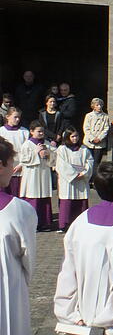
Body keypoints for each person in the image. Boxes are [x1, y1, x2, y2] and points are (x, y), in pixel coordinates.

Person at [54, 161, 113, 335]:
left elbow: (67, 272)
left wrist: (68, 313)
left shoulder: (80, 223)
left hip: (82, 315)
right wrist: (107, 322)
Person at [0, 136, 37, 335]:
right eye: (12, 163)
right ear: (1, 166)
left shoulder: (21, 209)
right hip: (8, 285)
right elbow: (29, 258)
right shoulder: (20, 210)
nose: (13, 169)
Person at [19, 121, 56, 231]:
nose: (41, 134)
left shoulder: (46, 143)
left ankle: (44, 223)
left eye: (42, 131)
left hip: (44, 173)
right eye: (38, 131)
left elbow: (54, 159)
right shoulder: (27, 144)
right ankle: (31, 225)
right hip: (32, 175)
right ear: (31, 131)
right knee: (33, 196)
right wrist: (35, 152)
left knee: (44, 197)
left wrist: (48, 153)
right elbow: (23, 160)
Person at [55, 127, 93, 233]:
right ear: (67, 137)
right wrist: (73, 174)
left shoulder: (84, 149)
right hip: (68, 181)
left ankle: (81, 223)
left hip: (81, 179)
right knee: (67, 200)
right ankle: (64, 224)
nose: (75, 139)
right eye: (72, 136)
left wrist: (84, 173)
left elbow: (89, 161)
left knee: (81, 201)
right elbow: (61, 164)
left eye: (76, 136)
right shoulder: (62, 149)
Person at [0, 107, 29, 196]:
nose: (17, 119)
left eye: (19, 117)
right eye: (15, 117)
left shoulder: (24, 131)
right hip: (4, 167)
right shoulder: (1, 131)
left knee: (18, 194)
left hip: (20, 168)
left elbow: (28, 150)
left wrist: (22, 164)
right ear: (7, 116)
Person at [83, 97, 110, 173]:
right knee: (88, 161)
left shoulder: (105, 116)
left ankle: (95, 179)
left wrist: (99, 138)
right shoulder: (88, 115)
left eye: (101, 105)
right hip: (89, 143)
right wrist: (92, 138)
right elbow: (86, 128)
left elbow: (106, 128)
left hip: (99, 143)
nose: (99, 106)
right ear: (93, 106)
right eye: (97, 105)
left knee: (96, 163)